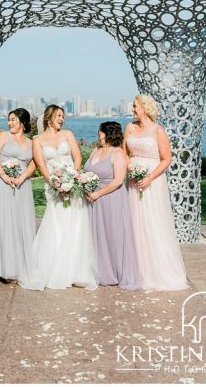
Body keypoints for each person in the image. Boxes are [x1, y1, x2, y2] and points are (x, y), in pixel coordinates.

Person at [19, 104, 97, 291]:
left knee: (75, 223)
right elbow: (41, 166)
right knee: (56, 223)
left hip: (72, 183)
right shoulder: (37, 140)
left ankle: (75, 270)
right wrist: (56, 183)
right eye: (59, 115)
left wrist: (71, 178)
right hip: (53, 186)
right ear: (49, 117)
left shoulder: (68, 134)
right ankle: (53, 268)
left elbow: (78, 158)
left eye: (63, 116)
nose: (62, 119)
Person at [124, 95, 189, 291]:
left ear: (144, 107)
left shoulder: (158, 131)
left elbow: (166, 159)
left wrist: (150, 177)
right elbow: (123, 153)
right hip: (133, 180)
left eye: (135, 106)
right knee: (134, 222)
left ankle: (157, 270)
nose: (132, 110)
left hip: (152, 182)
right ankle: (135, 270)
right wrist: (130, 170)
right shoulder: (130, 128)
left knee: (152, 222)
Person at [85, 121, 141, 289]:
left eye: (100, 133)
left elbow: (117, 181)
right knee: (95, 235)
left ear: (107, 134)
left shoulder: (118, 154)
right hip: (92, 199)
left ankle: (113, 271)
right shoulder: (97, 150)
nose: (98, 136)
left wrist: (97, 194)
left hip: (111, 198)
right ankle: (97, 270)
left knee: (112, 233)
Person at [0, 107, 36, 282]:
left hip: (22, 186)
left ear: (23, 122)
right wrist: (4, 176)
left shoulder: (32, 142)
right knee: (5, 222)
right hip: (3, 185)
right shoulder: (3, 136)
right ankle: (4, 268)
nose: (10, 123)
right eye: (9, 119)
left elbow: (34, 162)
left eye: (13, 120)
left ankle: (21, 266)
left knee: (21, 222)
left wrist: (23, 176)